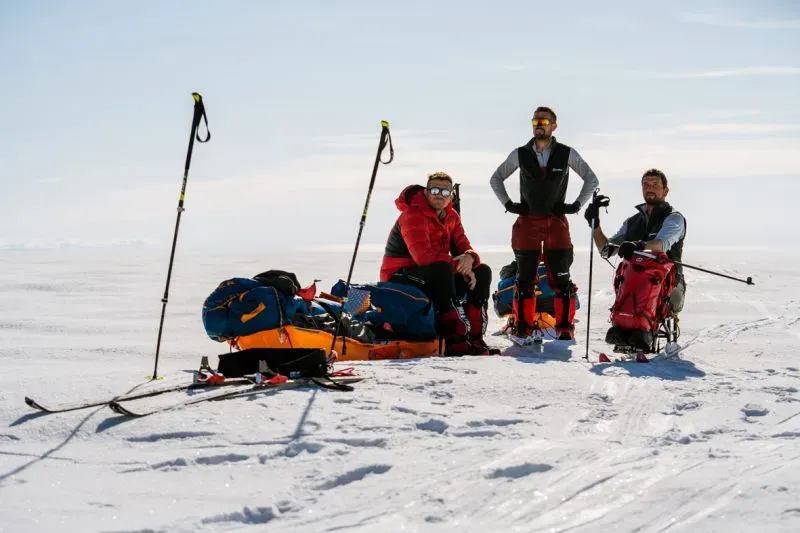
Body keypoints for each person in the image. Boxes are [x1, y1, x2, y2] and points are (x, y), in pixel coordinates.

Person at [489, 106, 600, 340]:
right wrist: (509, 204)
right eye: (536, 121)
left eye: (544, 121)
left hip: (555, 224)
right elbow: (496, 178)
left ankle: (565, 329)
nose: (539, 125)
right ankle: (523, 328)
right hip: (527, 223)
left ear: (554, 126)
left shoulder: (566, 153)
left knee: (561, 279)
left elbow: (591, 179)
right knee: (525, 279)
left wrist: (576, 205)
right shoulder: (520, 154)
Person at [380, 172, 493, 356]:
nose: (439, 194)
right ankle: (454, 339)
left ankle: (475, 338)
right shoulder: (413, 214)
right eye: (434, 190)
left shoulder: (452, 216)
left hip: (433, 273)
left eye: (445, 191)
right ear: (426, 192)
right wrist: (460, 267)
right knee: (442, 270)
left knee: (482, 272)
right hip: (400, 276)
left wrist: (470, 258)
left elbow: (463, 246)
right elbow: (423, 257)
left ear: (451, 196)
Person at [584, 168, 687, 349]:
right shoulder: (632, 222)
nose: (650, 188)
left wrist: (638, 245)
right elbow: (606, 250)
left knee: (647, 289)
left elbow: (661, 244)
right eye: (646, 184)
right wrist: (595, 225)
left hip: (669, 287)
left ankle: (644, 333)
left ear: (665, 190)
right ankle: (625, 330)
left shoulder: (674, 219)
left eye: (655, 184)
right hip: (635, 285)